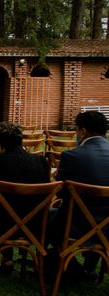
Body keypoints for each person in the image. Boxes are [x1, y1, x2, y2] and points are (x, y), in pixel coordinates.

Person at [0, 122, 51, 266]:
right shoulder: (40, 161)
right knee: (6, 208)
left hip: (1, 222)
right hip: (35, 222)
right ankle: (6, 258)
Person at [52, 111, 109, 275]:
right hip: (107, 226)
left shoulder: (72, 156)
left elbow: (61, 193)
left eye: (76, 130)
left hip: (75, 225)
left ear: (82, 131)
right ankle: (88, 268)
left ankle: (61, 264)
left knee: (47, 217)